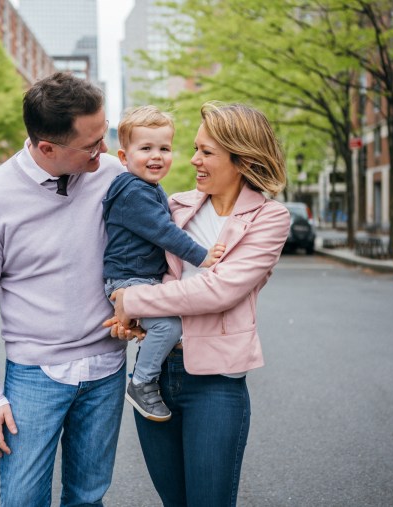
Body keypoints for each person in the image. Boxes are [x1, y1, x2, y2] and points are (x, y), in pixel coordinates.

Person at [108, 102, 290, 506]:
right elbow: (147, 268)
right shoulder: (175, 205)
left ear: (239, 157)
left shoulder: (269, 218)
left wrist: (133, 300)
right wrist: (130, 318)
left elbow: (218, 291)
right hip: (155, 374)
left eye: (206, 152)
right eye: (194, 149)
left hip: (215, 383)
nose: (192, 160)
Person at [0, 72, 127, 507]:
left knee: (88, 498)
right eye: (91, 144)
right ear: (46, 147)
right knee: (22, 499)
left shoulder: (111, 174)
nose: (104, 150)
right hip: (34, 375)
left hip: (107, 368)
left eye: (102, 134)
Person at [102, 105, 223, 422]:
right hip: (128, 281)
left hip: (141, 279)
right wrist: (202, 255)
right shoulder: (133, 191)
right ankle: (141, 382)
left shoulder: (148, 188)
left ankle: (149, 366)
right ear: (124, 157)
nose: (156, 156)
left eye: (164, 148)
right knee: (169, 324)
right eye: (146, 148)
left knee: (168, 321)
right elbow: (164, 231)